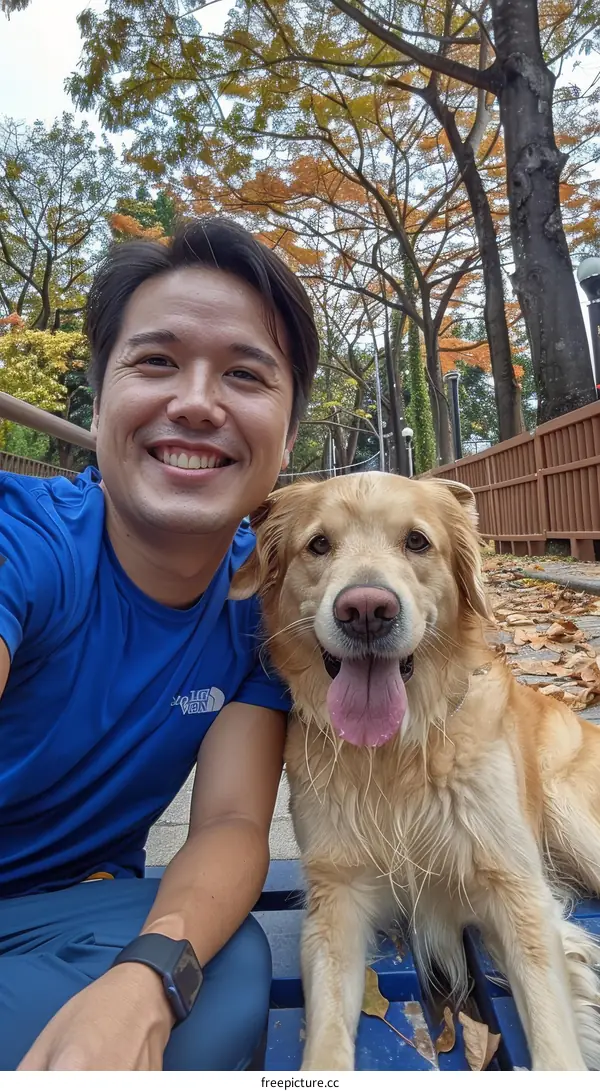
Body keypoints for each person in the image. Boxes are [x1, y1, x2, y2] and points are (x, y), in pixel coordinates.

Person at [0, 217, 319, 1071]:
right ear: (99, 402)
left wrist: (149, 974)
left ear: (287, 437)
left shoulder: (265, 605)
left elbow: (229, 819)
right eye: (156, 362)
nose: (197, 401)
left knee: (225, 969)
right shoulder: (22, 542)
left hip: (71, 916)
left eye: (245, 374)